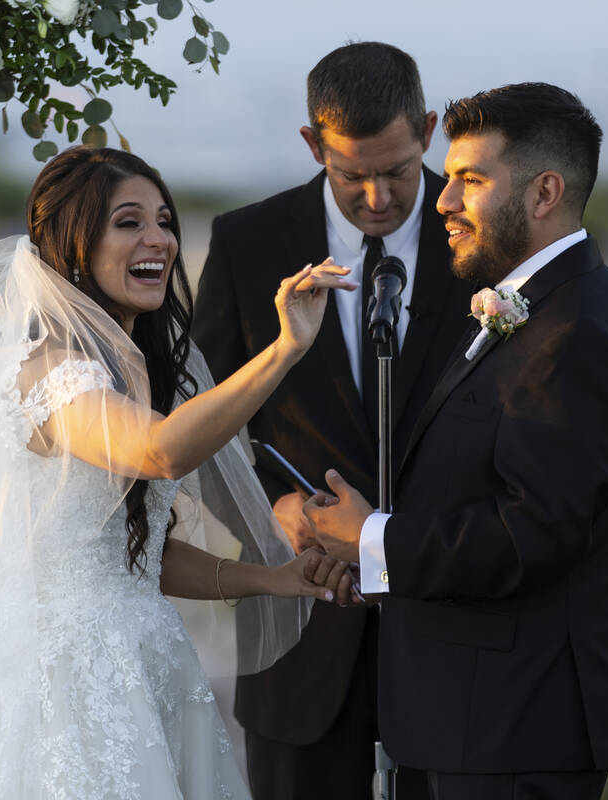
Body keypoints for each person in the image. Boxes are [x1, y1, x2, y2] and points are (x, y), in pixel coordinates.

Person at [0, 146, 362, 800]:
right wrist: (285, 349)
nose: (159, 239)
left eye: (165, 220)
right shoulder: (47, 370)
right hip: (61, 689)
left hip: (145, 666)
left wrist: (274, 579)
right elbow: (160, 453)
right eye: (129, 222)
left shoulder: (126, 375)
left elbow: (131, 560)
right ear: (72, 247)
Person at [305, 83, 608, 800]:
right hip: (472, 722)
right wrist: (370, 558)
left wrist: (375, 538)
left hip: (514, 728)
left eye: (470, 180)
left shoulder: (578, 331)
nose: (441, 200)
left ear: (543, 193)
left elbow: (534, 531)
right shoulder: (539, 310)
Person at [194, 42, 473, 799]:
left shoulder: (491, 243)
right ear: (312, 146)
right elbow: (201, 424)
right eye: (352, 175)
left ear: (429, 128)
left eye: (399, 170)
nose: (378, 197)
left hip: (460, 647)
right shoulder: (247, 244)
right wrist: (269, 508)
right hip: (302, 638)